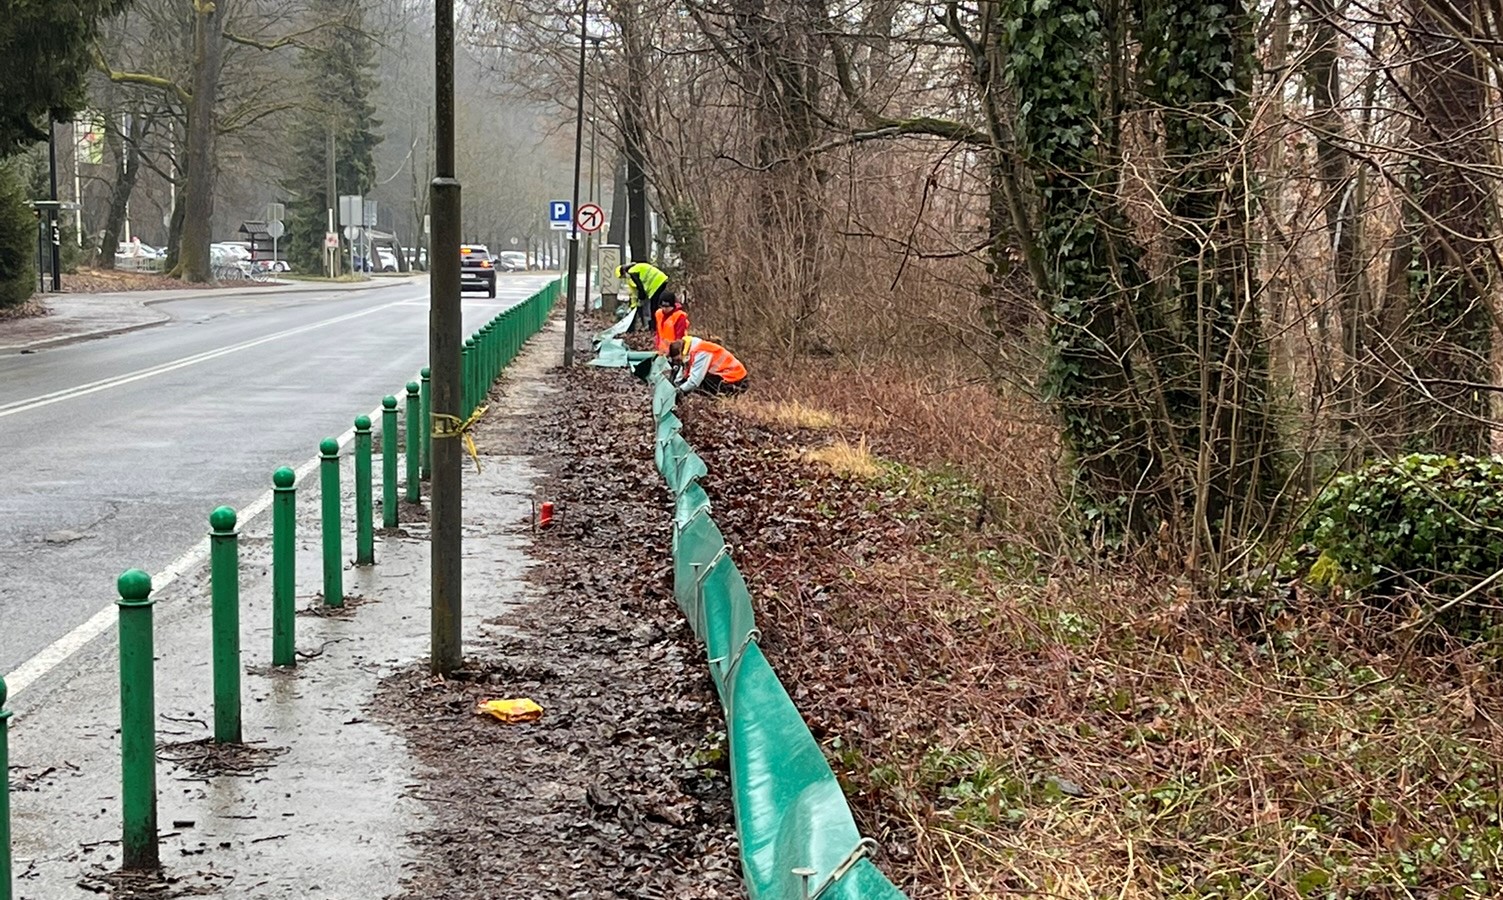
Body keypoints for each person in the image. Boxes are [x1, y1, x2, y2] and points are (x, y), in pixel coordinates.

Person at [668, 337, 748, 395]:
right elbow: (684, 371)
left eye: (678, 360)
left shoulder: (701, 352)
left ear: (682, 353)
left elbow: (695, 381)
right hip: (728, 377)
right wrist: (677, 383)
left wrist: (679, 390)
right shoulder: (691, 349)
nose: (678, 362)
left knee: (699, 387)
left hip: (735, 380)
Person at [619, 261, 675, 331]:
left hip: (656, 284)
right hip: (661, 279)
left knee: (654, 307)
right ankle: (659, 325)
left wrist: (641, 296)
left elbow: (639, 286)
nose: (625, 278)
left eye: (624, 276)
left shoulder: (632, 271)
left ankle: (655, 327)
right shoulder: (637, 267)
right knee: (658, 305)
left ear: (624, 272)